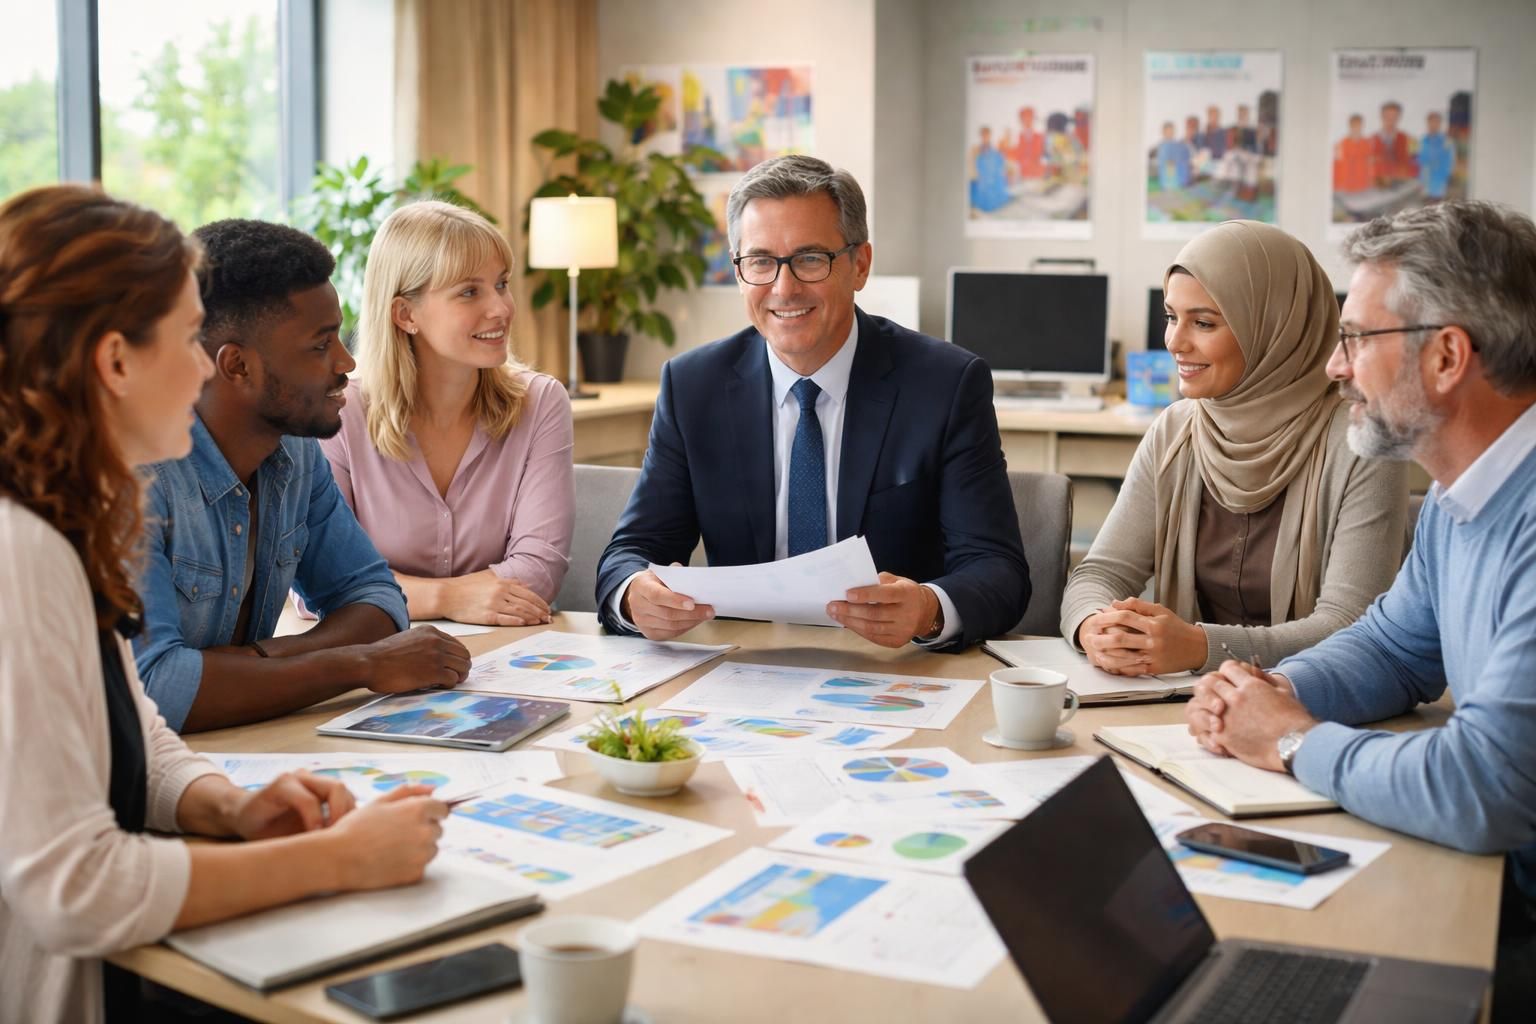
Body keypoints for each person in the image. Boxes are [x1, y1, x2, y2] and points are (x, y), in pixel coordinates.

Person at [0, 184, 448, 1024]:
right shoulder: (21, 551)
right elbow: (76, 887)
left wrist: (230, 803)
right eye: (185, 339)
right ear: (115, 362)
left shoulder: (72, 515)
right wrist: (340, 861)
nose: (206, 366)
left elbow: (134, 728)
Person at [1183, 200, 1536, 1022]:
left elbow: (1483, 788)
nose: (1336, 368)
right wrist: (1260, 689)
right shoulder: (1461, 495)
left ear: (1448, 355)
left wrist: (1292, 739)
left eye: (1356, 341)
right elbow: (1395, 649)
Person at [596, 155, 1029, 650]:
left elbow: (998, 571)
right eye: (760, 261)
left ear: (860, 265)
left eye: (809, 259)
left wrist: (929, 609)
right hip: (746, 671)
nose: (783, 288)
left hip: (896, 673)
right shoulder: (694, 386)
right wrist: (634, 597)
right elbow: (631, 552)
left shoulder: (946, 384)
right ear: (738, 270)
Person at [133, 219, 471, 733]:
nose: (346, 361)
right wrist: (362, 664)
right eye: (320, 345)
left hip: (245, 751)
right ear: (238, 366)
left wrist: (258, 662)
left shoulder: (294, 453)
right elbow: (159, 691)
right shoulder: (135, 480)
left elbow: (376, 598)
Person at [1061, 220, 1407, 675]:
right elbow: (1099, 574)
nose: (1173, 342)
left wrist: (1204, 647)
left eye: (1203, 322)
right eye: (1171, 316)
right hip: (1183, 705)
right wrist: (1095, 627)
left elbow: (1350, 627)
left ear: (1275, 328)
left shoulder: (1363, 442)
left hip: (1307, 701)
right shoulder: (1175, 431)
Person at [321, 200, 574, 626]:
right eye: (470, 291)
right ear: (405, 314)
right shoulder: (341, 414)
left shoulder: (541, 403)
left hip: (510, 657)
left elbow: (538, 573)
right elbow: (322, 585)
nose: (501, 308)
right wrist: (446, 599)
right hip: (376, 660)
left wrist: (387, 593)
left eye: (502, 284)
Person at [968, 126, 1012, 214]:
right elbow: (972, 166)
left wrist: (1006, 172)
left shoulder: (995, 150)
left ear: (990, 135)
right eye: (983, 135)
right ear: (981, 136)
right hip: (982, 179)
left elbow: (1001, 162)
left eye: (987, 135)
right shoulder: (975, 149)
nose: (985, 137)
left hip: (993, 178)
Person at [1333, 113, 1376, 194]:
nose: (1356, 128)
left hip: (1363, 186)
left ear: (1362, 126)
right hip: (1346, 187)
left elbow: (1371, 165)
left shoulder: (1367, 144)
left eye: (1359, 125)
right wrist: (1337, 186)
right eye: (1354, 125)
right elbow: (1336, 166)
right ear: (1350, 126)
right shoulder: (1341, 144)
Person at [1419, 111, 1454, 200]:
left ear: (1440, 124)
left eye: (1437, 122)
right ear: (1427, 123)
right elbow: (1419, 161)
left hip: (1440, 187)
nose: (1434, 125)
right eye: (1432, 122)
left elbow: (1449, 163)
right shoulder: (1422, 141)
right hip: (1424, 186)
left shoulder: (1446, 142)